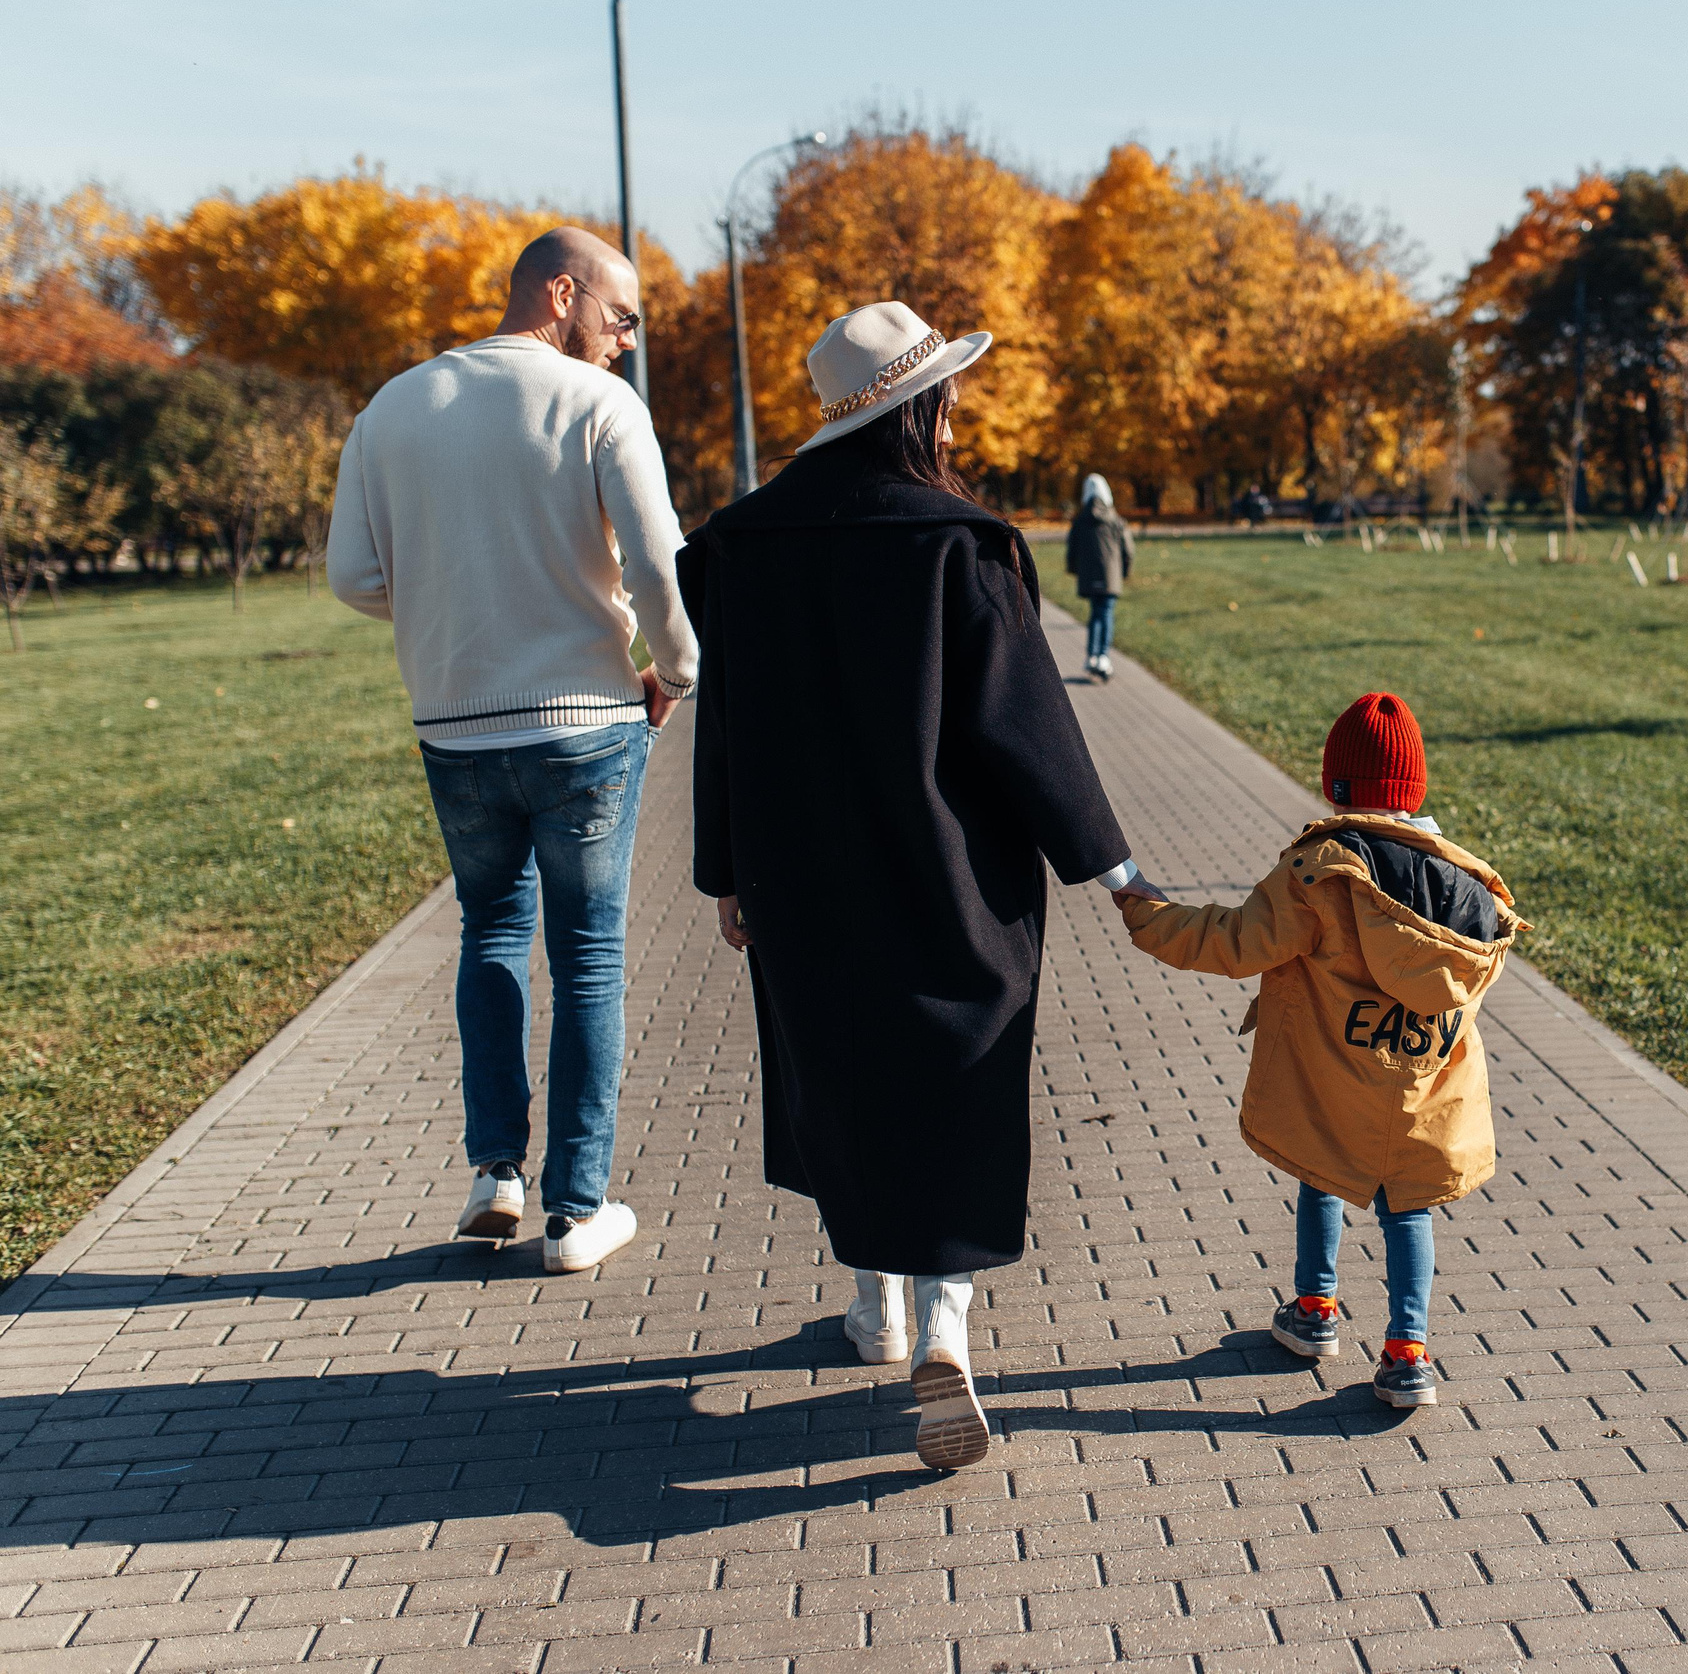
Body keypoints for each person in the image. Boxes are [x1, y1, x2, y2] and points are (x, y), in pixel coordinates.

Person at [681, 301, 1152, 1469]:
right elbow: (1023, 726)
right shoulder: (957, 541)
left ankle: (873, 1307)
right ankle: (945, 1324)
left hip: (798, 870)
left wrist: (723, 872)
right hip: (954, 871)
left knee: (841, 1074)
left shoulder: (743, 542)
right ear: (920, 406)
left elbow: (724, 725)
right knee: (956, 1080)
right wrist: (1112, 867)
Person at [328, 226, 695, 1276]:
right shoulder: (597, 405)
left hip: (456, 723)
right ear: (563, 294)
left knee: (489, 930)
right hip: (585, 720)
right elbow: (660, 566)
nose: (628, 340)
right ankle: (577, 1210)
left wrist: (452, 600)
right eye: (622, 316)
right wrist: (675, 672)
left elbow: (354, 577)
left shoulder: (392, 407)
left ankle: (495, 1173)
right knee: (587, 955)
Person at [1113, 693, 1524, 1407]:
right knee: (1409, 1210)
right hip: (1424, 1090)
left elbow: (1232, 941)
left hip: (1335, 1079)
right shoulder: (1470, 892)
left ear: (1336, 786)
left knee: (1321, 1173)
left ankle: (1315, 1311)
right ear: (1415, 790)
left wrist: (1147, 912)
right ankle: (1408, 1352)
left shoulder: (1321, 875)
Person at [1063, 473, 1134, 680]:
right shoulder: (1116, 520)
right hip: (1111, 576)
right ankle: (1103, 655)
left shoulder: (1080, 521)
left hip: (1089, 575)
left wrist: (1074, 569)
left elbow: (1072, 549)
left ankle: (1092, 656)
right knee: (1106, 613)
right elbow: (1128, 550)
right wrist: (1124, 572)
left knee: (1095, 613)